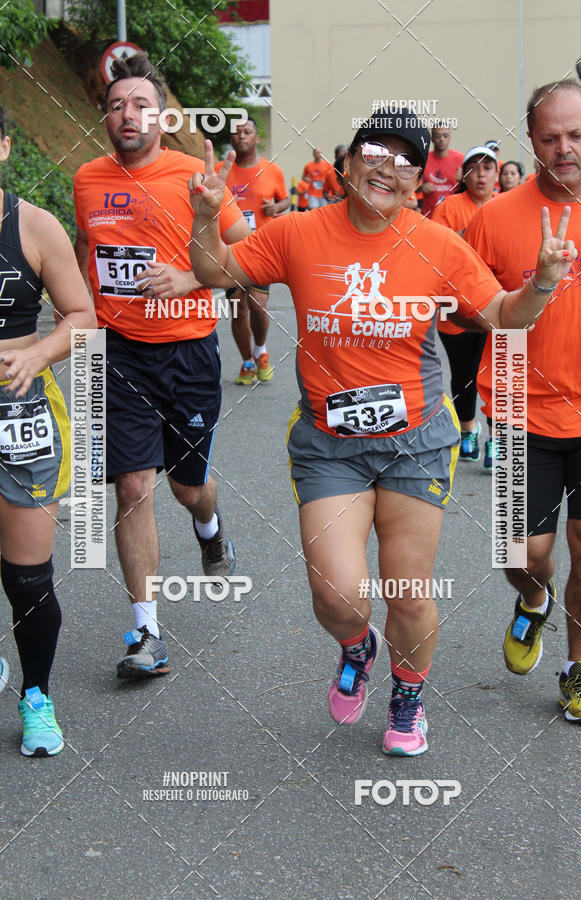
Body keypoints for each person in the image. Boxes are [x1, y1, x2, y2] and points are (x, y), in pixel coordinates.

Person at [187, 110, 575, 755]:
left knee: (407, 589)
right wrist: (205, 216)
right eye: (374, 152)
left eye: (403, 162)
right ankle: (355, 646)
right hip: (329, 444)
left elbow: (504, 315)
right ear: (348, 163)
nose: (385, 168)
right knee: (337, 593)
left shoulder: (440, 246)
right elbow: (216, 272)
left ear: (420, 182)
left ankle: (408, 692)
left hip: (415, 441)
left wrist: (540, 283)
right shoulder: (298, 232)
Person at [74, 53, 248, 681]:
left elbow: (246, 261)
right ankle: (147, 631)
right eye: (118, 104)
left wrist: (192, 273)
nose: (129, 114)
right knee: (131, 487)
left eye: (142, 104)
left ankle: (210, 524)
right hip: (120, 355)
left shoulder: (191, 175)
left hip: (189, 353)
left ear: (163, 114)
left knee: (187, 486)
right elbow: (85, 249)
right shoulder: (88, 180)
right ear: (106, 116)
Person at [465, 79, 581, 723]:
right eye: (550, 138)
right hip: (521, 409)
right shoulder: (493, 220)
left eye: (576, 134)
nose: (564, 148)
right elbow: (469, 312)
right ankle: (533, 602)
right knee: (526, 556)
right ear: (532, 142)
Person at [0, 106, 96, 755]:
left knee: (28, 577)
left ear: (4, 147)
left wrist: (38, 353)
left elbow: (85, 317)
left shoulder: (33, 226)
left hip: (19, 413)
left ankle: (36, 696)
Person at [432, 145, 498, 468]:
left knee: (501, 372)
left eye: (488, 168)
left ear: (496, 175)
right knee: (465, 372)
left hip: (497, 306)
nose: (481, 174)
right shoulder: (450, 206)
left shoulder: (506, 207)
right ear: (464, 174)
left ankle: (497, 436)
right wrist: (470, 234)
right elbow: (435, 251)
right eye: (474, 167)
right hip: (455, 307)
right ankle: (469, 428)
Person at [217, 116, 289, 384]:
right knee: (237, 307)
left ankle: (261, 349)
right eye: (237, 132)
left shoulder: (272, 171)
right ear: (231, 138)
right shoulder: (220, 170)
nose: (242, 136)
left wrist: (276, 208)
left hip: (262, 248)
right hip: (231, 250)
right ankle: (247, 362)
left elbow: (284, 202)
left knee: (258, 305)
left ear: (257, 138)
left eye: (247, 131)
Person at [419, 124, 464, 217]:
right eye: (438, 136)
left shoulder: (461, 159)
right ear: (432, 139)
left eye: (445, 135)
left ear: (450, 138)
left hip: (454, 215)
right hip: (429, 216)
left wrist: (463, 181)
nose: (442, 139)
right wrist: (422, 187)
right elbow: (412, 187)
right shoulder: (424, 159)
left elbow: (470, 189)